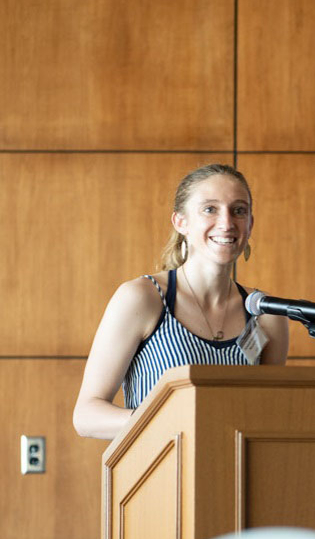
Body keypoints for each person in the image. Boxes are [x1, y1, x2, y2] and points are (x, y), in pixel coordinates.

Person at [73, 164, 289, 439]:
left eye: (239, 210)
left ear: (250, 224)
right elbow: (87, 416)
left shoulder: (267, 315)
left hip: (238, 476)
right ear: (180, 222)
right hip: (159, 474)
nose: (226, 222)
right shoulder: (143, 298)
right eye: (210, 209)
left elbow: (268, 417)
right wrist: (174, 420)